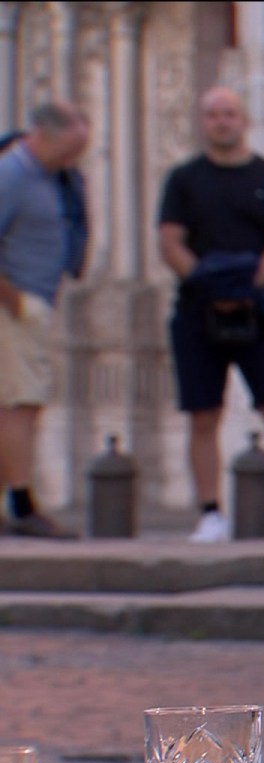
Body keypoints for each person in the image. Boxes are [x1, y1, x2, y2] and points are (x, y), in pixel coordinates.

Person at [157, 86, 264, 543]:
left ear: (244, 120)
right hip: (198, 310)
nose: (221, 122)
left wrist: (247, 286)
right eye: (213, 114)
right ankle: (210, 513)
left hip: (260, 311)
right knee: (202, 414)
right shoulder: (184, 179)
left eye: (229, 113)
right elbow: (170, 241)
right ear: (203, 122)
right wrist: (210, 284)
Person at [0, 101, 90, 540]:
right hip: (14, 306)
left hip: (34, 301)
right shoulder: (12, 176)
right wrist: (15, 301)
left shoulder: (54, 177)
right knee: (22, 403)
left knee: (16, 403)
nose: (73, 159)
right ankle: (22, 504)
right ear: (41, 136)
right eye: (68, 149)